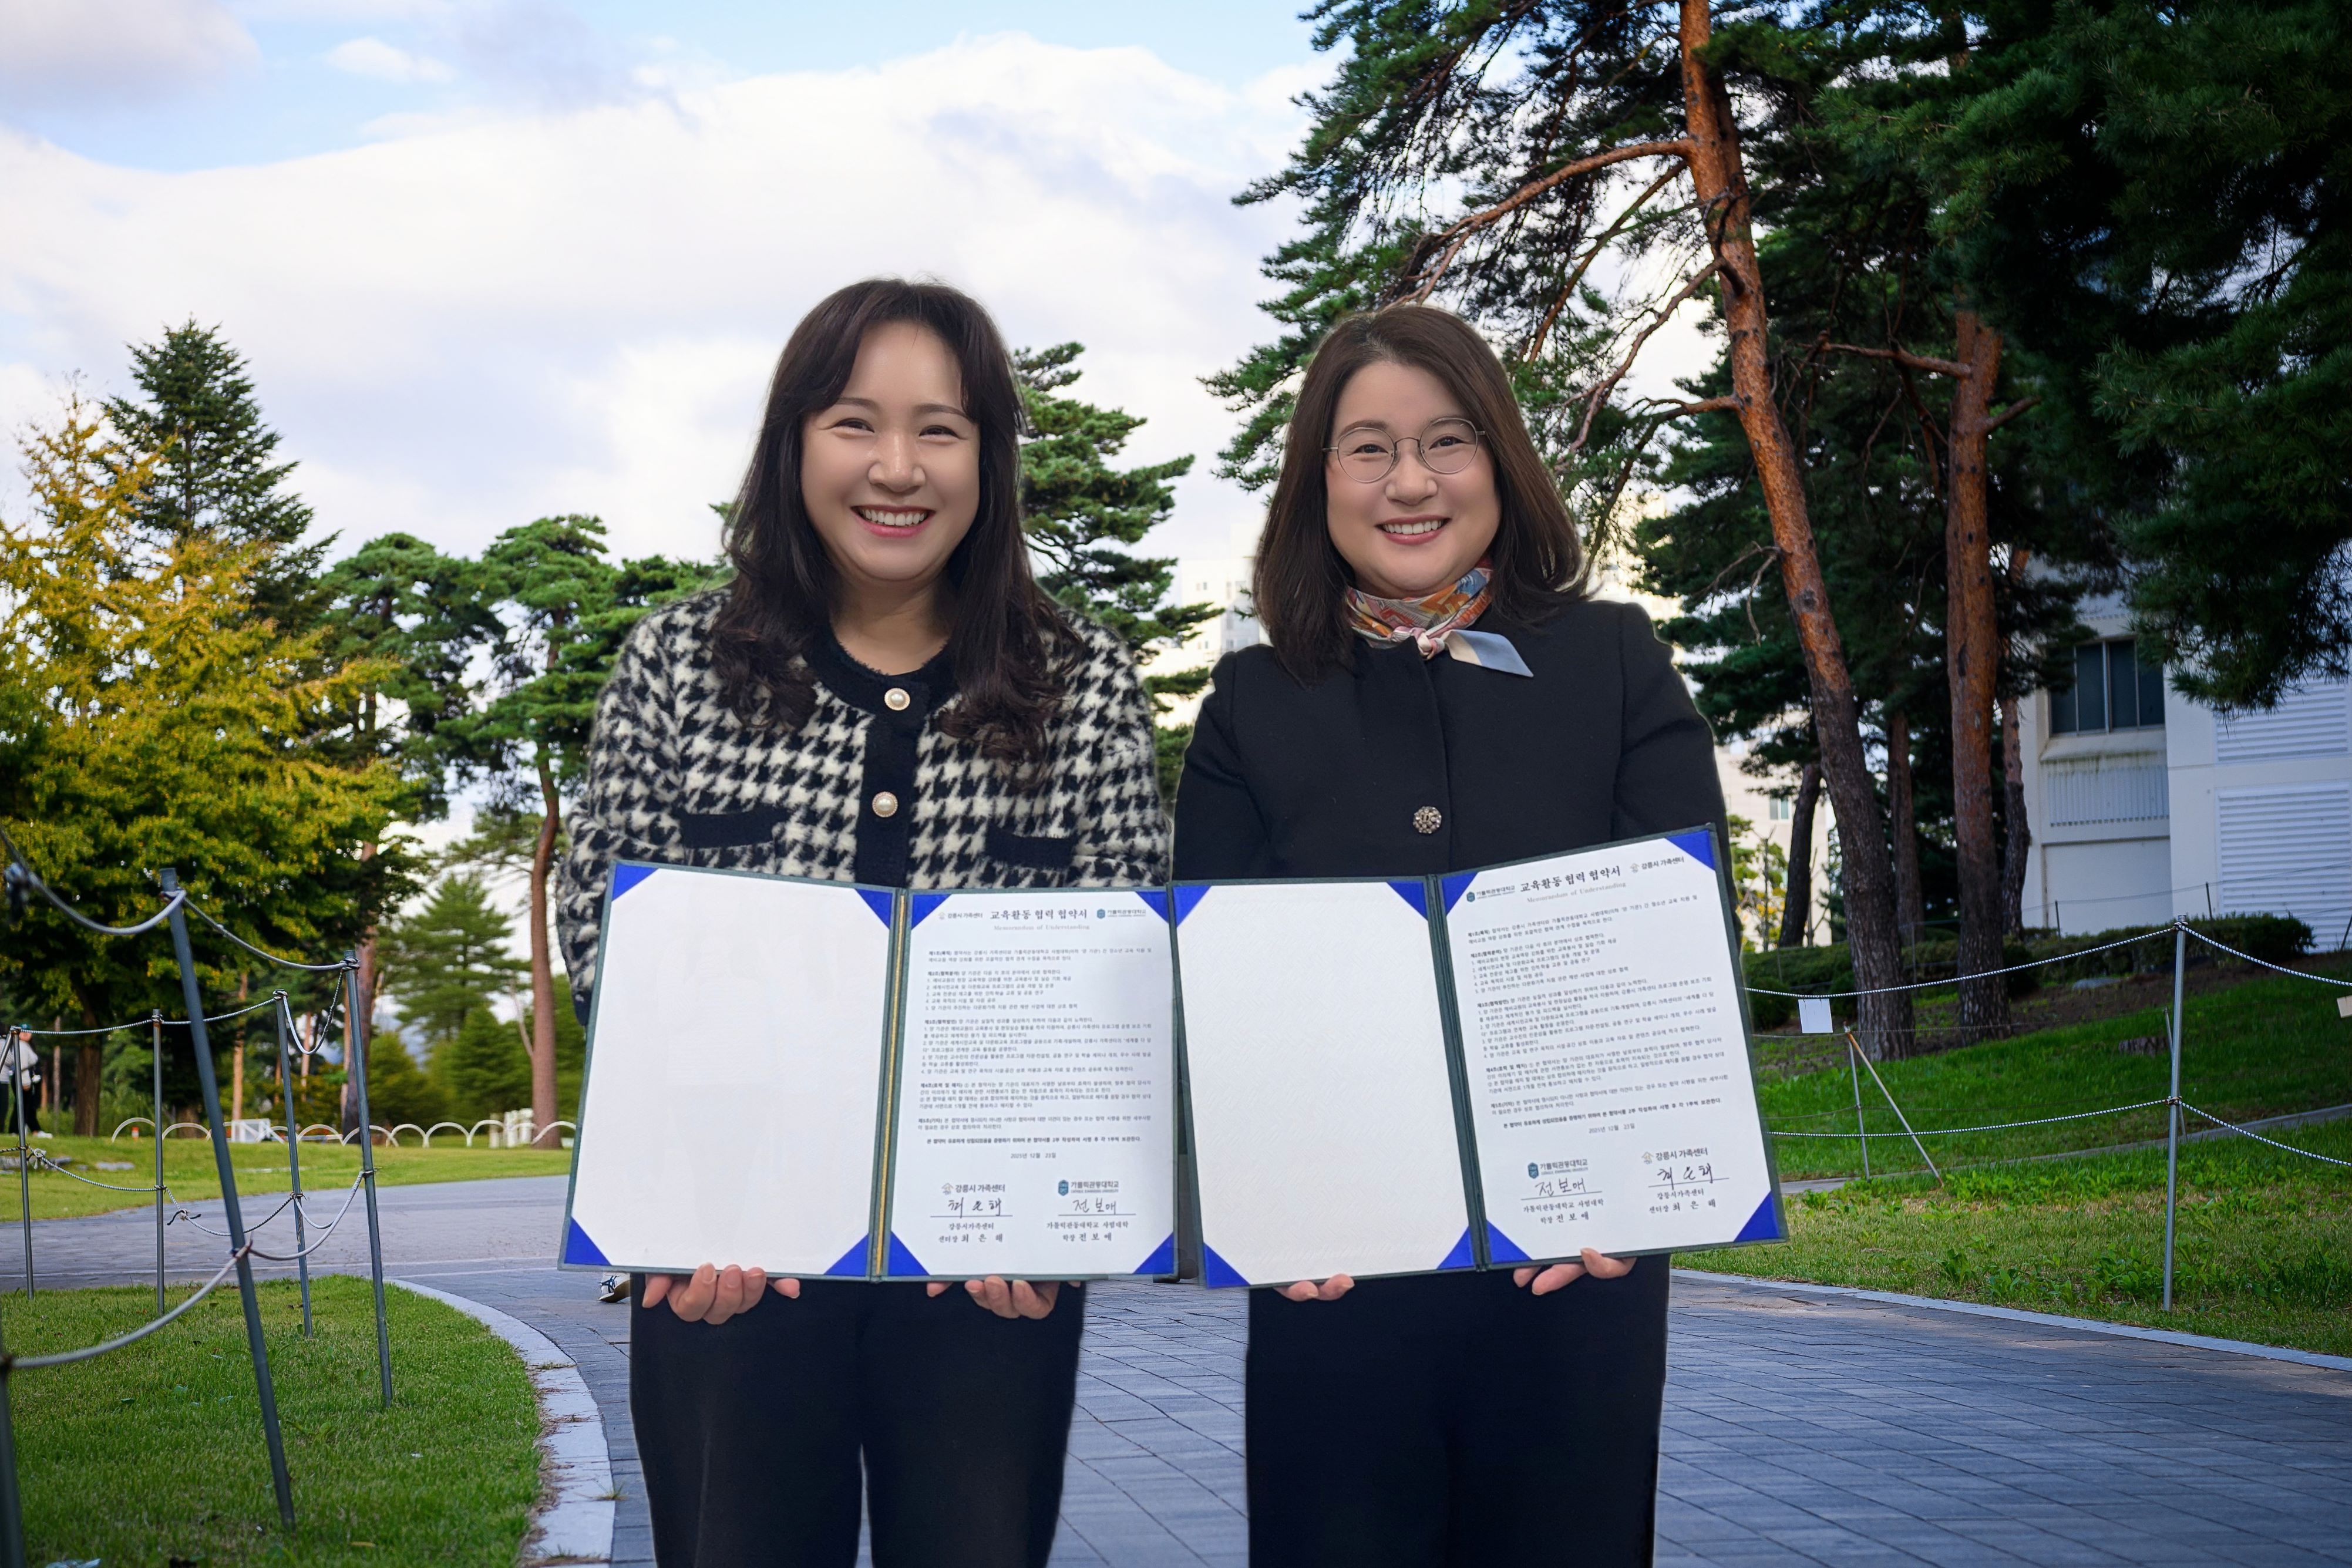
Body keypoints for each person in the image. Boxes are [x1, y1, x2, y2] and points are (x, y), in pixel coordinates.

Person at [555, 278, 1168, 1568]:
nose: (897, 468)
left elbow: (1125, 961)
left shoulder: (1084, 683)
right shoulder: (677, 662)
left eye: (940, 428)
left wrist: (1058, 1225)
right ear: (791, 445)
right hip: (726, 1264)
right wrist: (682, 1194)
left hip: (989, 1279)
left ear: (991, 460)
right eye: (854, 422)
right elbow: (605, 926)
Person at [1172, 303, 1727, 1564]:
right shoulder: (1254, 702)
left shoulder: (1612, 661)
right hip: (1334, 1283)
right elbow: (1216, 1004)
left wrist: (1635, 1190)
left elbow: (1676, 962)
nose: (1409, 482)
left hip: (1578, 1273)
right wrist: (1256, 1207)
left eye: (1447, 442)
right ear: (1317, 478)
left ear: (1503, 464)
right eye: (1366, 448)